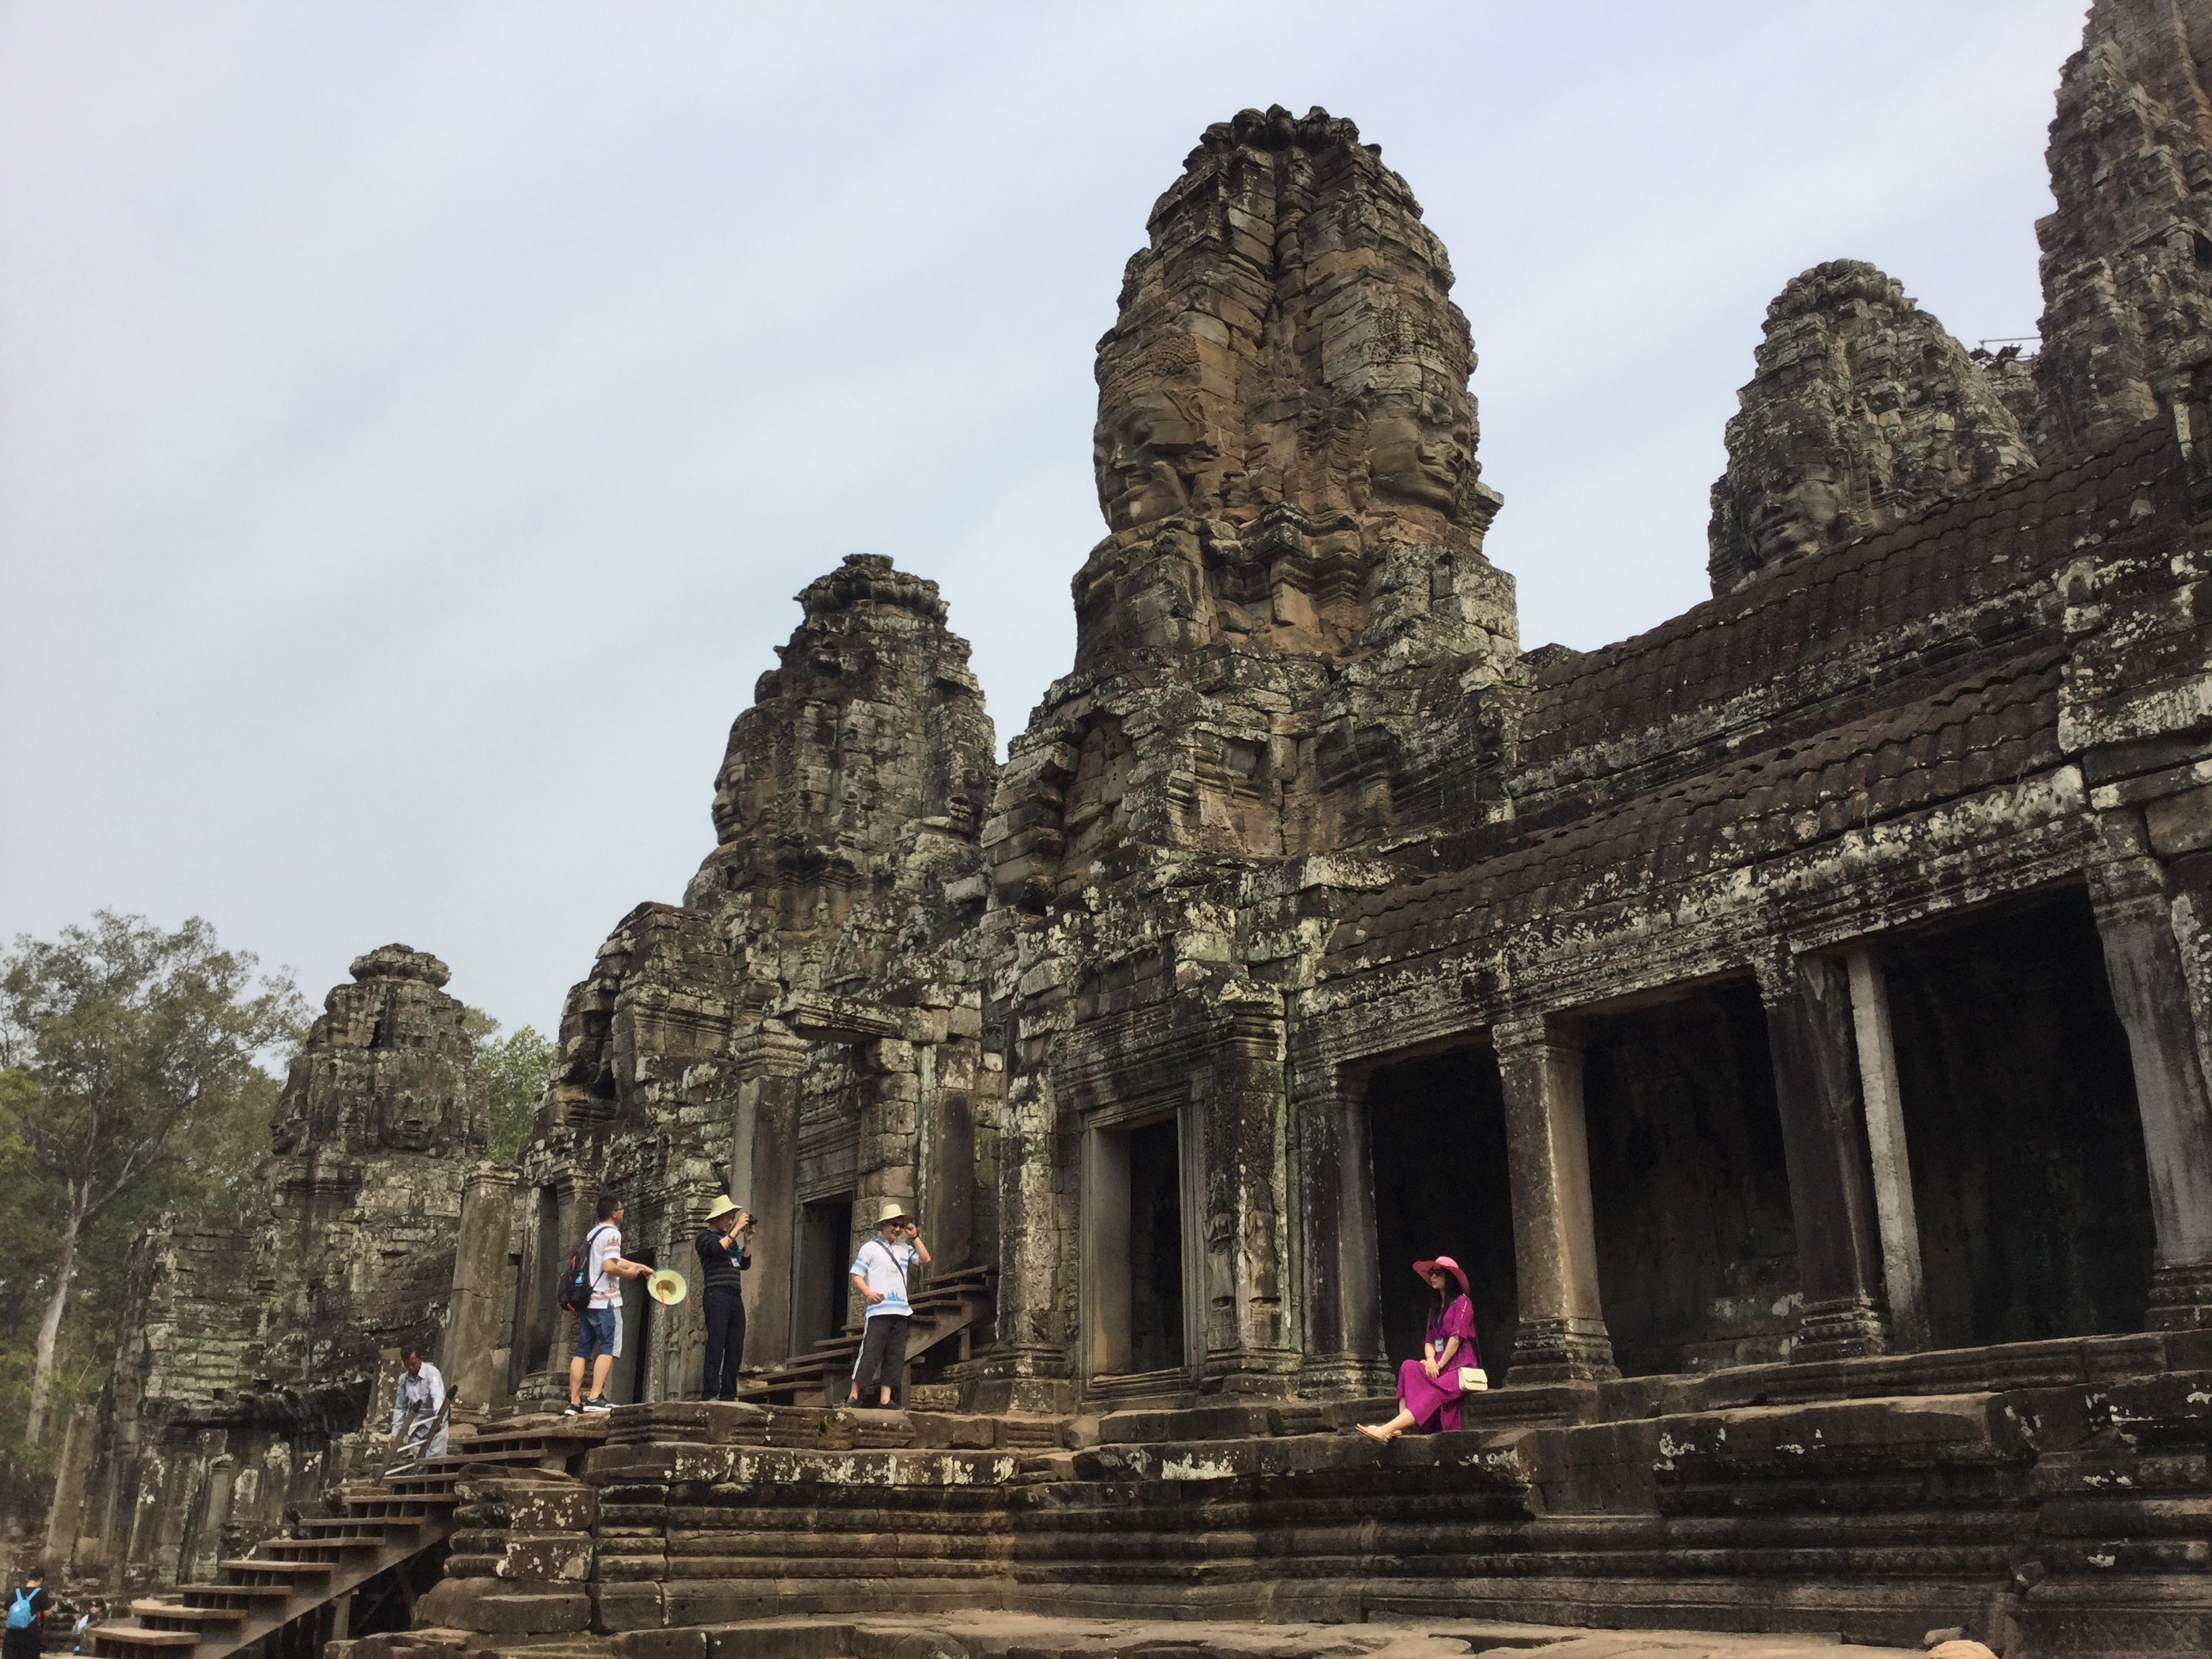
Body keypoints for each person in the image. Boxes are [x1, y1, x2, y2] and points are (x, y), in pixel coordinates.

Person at [1357, 1255, 1479, 1443]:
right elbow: (1429, 1340)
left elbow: (1456, 1339)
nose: (1433, 1277)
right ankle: (1401, 1425)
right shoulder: (1435, 1308)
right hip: (1438, 1365)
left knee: (1436, 1391)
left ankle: (1387, 1429)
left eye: (1438, 1274)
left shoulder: (1463, 1303)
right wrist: (1431, 1360)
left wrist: (1438, 1363)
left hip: (1459, 1367)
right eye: (1432, 1274)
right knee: (1408, 1367)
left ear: (1449, 1277)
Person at [565, 1193, 653, 1416]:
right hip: (606, 1300)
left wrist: (639, 1265)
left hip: (588, 1301)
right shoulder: (613, 1233)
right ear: (615, 1213)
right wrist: (628, 1274)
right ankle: (595, 1397)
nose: (624, 1211)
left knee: (582, 1351)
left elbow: (613, 1259)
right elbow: (609, 1266)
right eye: (622, 1208)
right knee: (608, 1347)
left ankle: (574, 1402)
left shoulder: (594, 1232)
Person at [845, 1200, 929, 1408]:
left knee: (895, 1354)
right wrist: (869, 1293)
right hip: (879, 1310)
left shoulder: (903, 1248)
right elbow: (856, 1274)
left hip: (901, 1310)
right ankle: (854, 1395)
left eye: (901, 1225)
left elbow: (925, 1259)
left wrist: (915, 1236)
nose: (897, 1229)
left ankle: (885, 1399)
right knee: (871, 1351)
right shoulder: (870, 1248)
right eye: (894, 1224)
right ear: (884, 1225)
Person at [695, 1195, 754, 1401]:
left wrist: (747, 1242)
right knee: (716, 1343)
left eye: (733, 1217)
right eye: (727, 1217)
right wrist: (736, 1230)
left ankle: (729, 1393)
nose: (730, 1221)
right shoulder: (704, 1237)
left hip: (734, 1296)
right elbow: (715, 1249)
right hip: (716, 1293)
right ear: (717, 1217)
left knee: (735, 1345)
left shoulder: (729, 1243)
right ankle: (710, 1392)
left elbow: (744, 1264)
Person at [391, 1347, 448, 1457]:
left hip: (435, 1421)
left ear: (420, 1359)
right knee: (419, 1462)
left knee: (437, 1460)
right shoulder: (404, 1380)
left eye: (413, 1364)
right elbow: (400, 1407)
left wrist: (439, 1418)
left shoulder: (432, 1373)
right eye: (407, 1365)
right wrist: (395, 1433)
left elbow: (438, 1396)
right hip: (417, 1425)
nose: (411, 1368)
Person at [3, 1568, 50, 1659]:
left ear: (27, 1579)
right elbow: (46, 1613)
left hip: (12, 1634)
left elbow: (5, 1612)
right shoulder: (41, 1593)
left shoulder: (15, 1592)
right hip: (30, 1634)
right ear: (41, 1580)